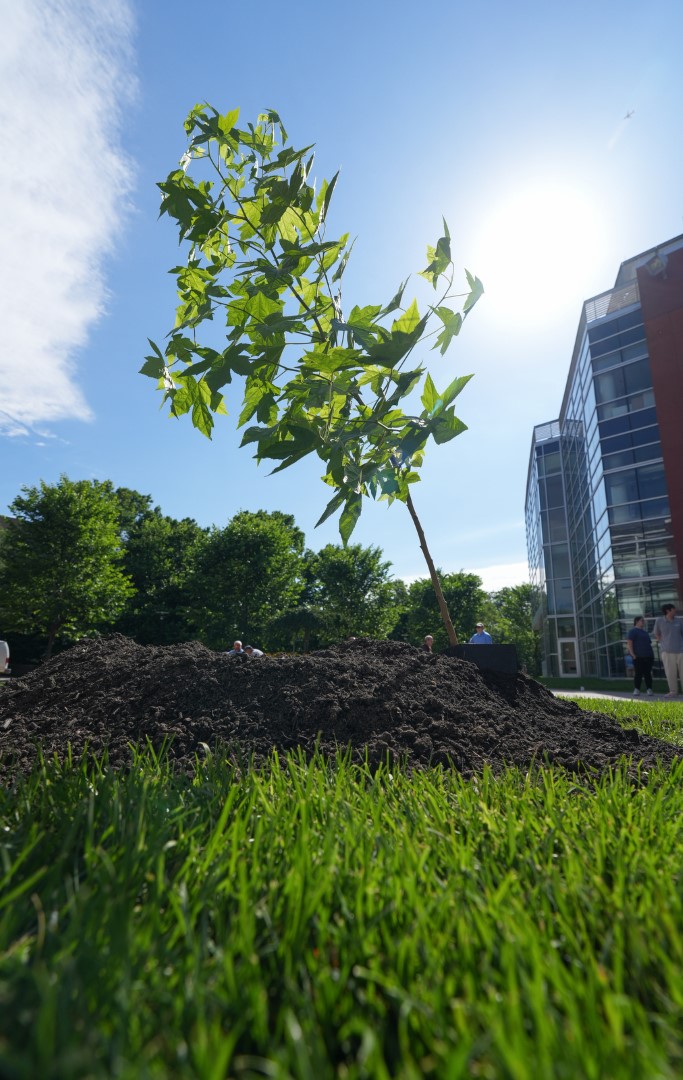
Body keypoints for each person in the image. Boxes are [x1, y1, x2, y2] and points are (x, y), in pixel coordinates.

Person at [653, 604, 683, 697]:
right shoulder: (659, 621)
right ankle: (673, 692)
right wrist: (663, 642)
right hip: (667, 651)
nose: (675, 611)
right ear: (668, 611)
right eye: (674, 609)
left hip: (681, 650)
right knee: (670, 672)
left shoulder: (679, 621)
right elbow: (656, 634)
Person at [626, 616, 654, 696]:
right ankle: (637, 689)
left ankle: (649, 689)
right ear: (637, 621)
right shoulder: (633, 631)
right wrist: (633, 654)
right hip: (638, 656)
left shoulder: (645, 633)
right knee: (638, 673)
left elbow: (649, 643)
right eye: (642, 621)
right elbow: (629, 643)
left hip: (648, 656)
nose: (643, 622)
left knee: (647, 673)